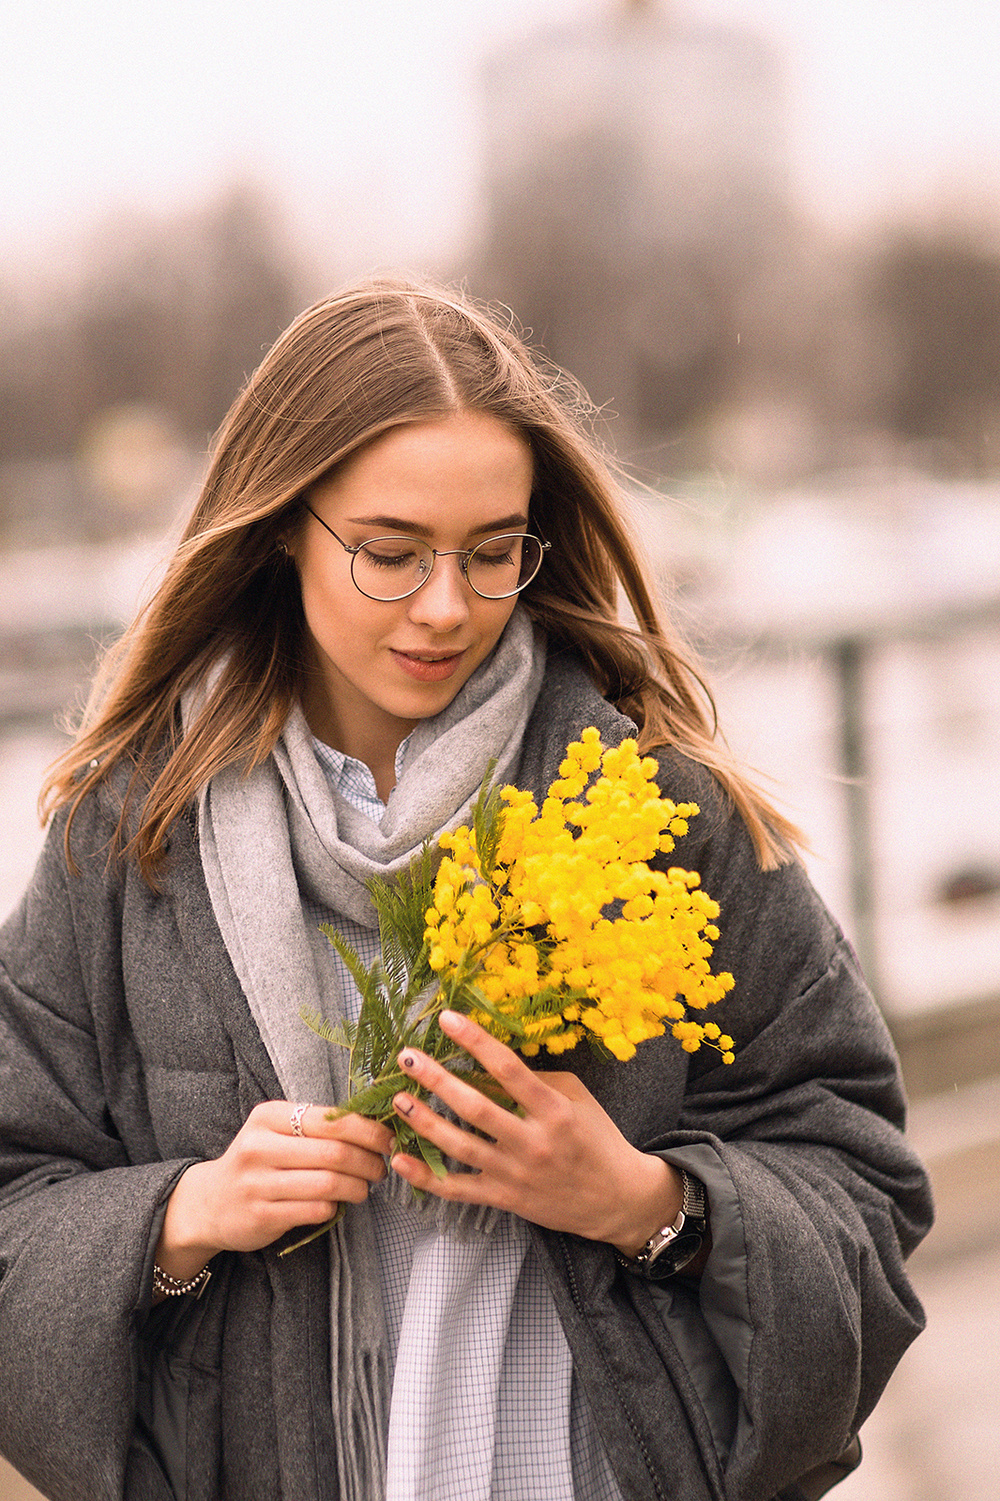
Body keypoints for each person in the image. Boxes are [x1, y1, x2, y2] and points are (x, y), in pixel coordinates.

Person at [0, 279, 932, 1501]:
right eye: (389, 553)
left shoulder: (664, 813)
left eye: (494, 553)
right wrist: (185, 1215)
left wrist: (645, 1201)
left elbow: (861, 1182)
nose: (447, 607)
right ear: (284, 524)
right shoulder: (132, 837)